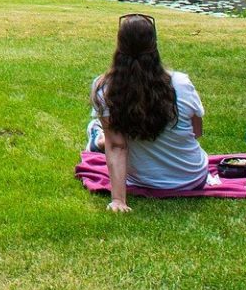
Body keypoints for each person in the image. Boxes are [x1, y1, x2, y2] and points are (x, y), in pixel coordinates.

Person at [87, 13, 209, 212]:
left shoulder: (105, 89)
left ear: (119, 45)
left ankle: (98, 138)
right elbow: (197, 132)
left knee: (112, 139)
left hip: (142, 181)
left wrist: (119, 201)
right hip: (192, 178)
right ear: (154, 44)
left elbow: (118, 147)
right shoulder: (182, 84)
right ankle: (98, 138)